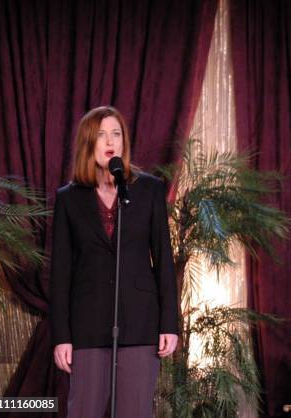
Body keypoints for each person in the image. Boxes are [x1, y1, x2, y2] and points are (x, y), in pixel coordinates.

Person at [49, 106, 179, 418]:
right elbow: (61, 272)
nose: (110, 141)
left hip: (140, 323)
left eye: (116, 133)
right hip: (87, 325)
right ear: (88, 143)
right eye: (102, 135)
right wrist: (62, 336)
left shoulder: (148, 189)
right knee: (83, 411)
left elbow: (163, 261)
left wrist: (169, 324)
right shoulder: (69, 198)